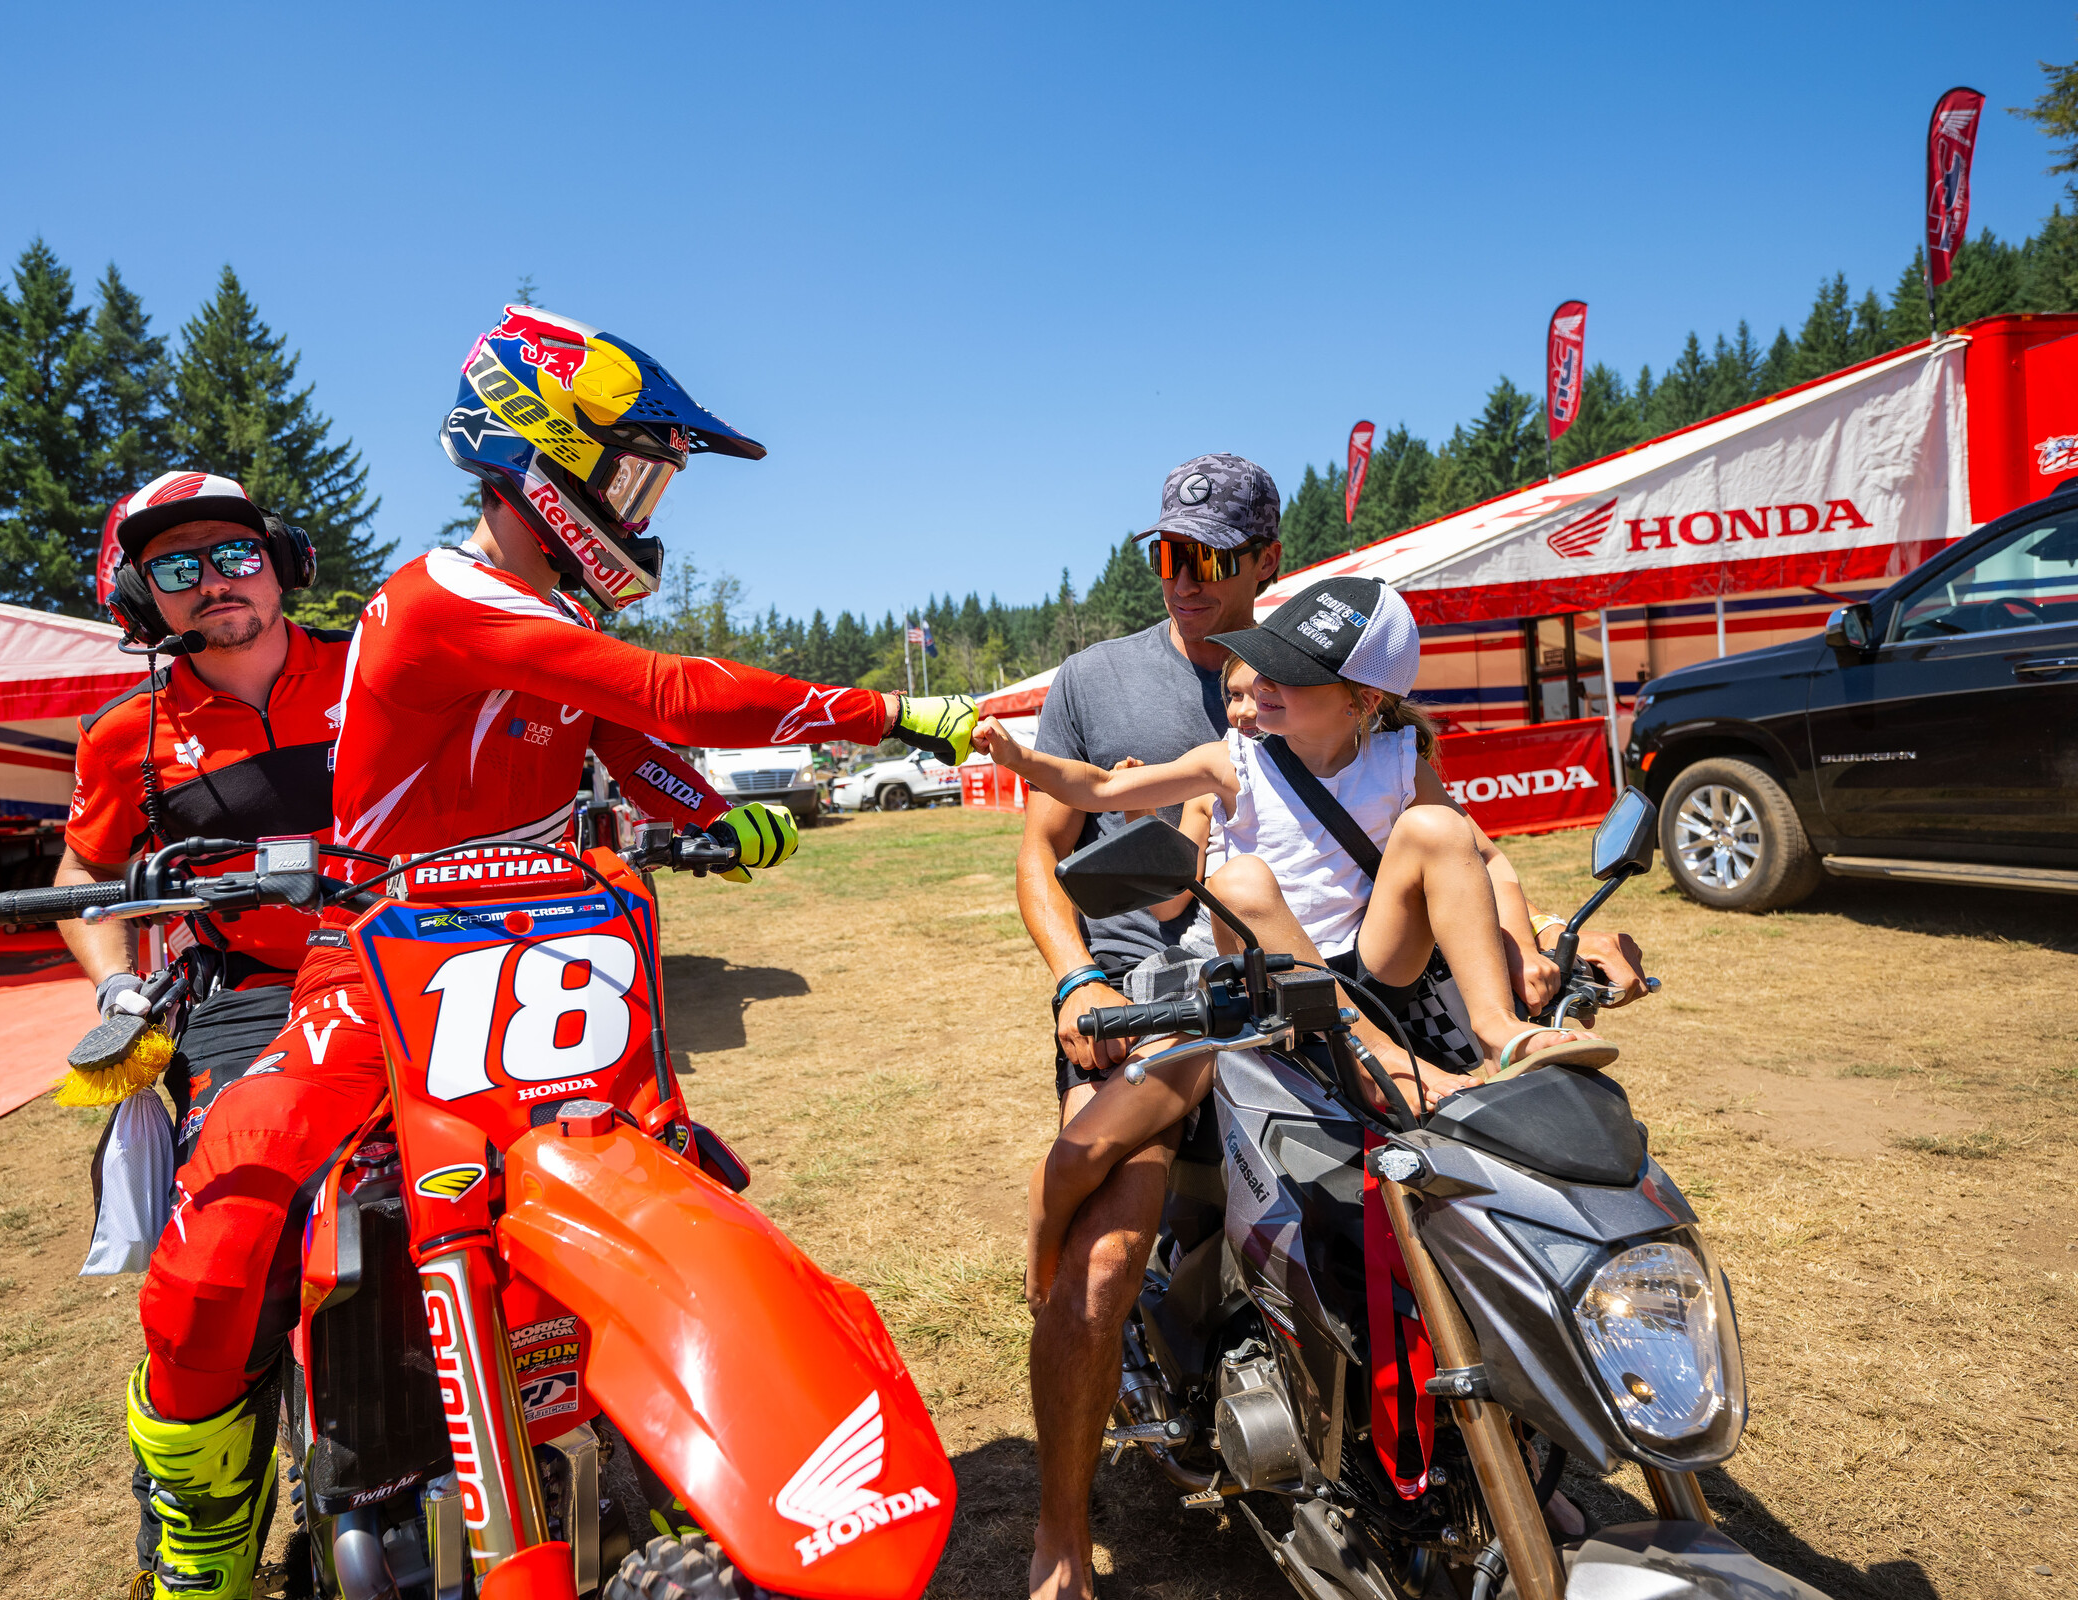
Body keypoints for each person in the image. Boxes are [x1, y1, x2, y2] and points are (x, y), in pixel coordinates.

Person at [120, 305, 977, 1600]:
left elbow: (630, 743)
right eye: (632, 472)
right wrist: (902, 714)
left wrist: (715, 820)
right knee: (231, 1208)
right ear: (538, 463)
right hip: (381, 962)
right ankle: (200, 1524)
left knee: (664, 1157)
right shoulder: (437, 596)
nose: (645, 505)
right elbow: (664, 691)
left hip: (538, 945)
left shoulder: (533, 608)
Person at [1012, 458, 1649, 1600]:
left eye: (1204, 559)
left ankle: (1464, 1446)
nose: (1180, 580)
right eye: (1164, 554)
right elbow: (1050, 841)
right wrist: (1075, 985)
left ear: (1266, 563)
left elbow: (1457, 845)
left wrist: (1541, 938)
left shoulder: (1337, 679)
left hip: (1330, 986)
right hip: (1161, 990)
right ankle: (1061, 1533)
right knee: (1101, 1265)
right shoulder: (1110, 683)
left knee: (1461, 1205)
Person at [977, 575, 1621, 1303]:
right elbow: (1095, 789)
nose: (1268, 688)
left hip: (1369, 966)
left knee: (1438, 831)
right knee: (1081, 1151)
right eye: (1265, 669)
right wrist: (1023, 759)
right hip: (1260, 983)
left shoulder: (1402, 759)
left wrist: (1528, 944)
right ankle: (1041, 1254)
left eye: (1295, 676)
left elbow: (1486, 858)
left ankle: (1498, 1030)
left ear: (1363, 702)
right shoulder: (1229, 761)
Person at [56, 470, 352, 1595]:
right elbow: (84, 868)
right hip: (256, 994)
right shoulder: (128, 731)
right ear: (142, 598)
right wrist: (116, 989)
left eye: (232, 554)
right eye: (175, 569)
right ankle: (197, 1544)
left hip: (429, 972)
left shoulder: (382, 670)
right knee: (232, 1251)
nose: (212, 583)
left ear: (281, 561)